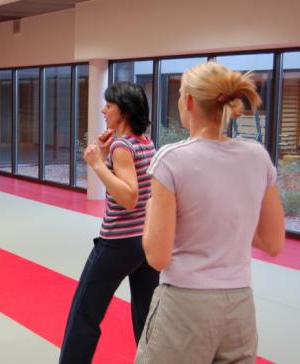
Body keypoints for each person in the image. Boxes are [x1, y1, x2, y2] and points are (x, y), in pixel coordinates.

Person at [135, 61, 285, 363]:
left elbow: (157, 256)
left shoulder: (171, 159)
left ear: (189, 100)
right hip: (239, 306)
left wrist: (152, 208)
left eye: (179, 95)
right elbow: (273, 242)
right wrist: (229, 221)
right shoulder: (257, 156)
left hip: (184, 305)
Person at [59, 82, 160, 364]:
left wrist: (97, 163)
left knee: (84, 313)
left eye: (109, 105)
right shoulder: (145, 142)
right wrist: (103, 158)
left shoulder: (122, 146)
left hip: (118, 243)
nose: (104, 110)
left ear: (123, 111)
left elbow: (129, 196)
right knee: (146, 316)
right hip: (145, 240)